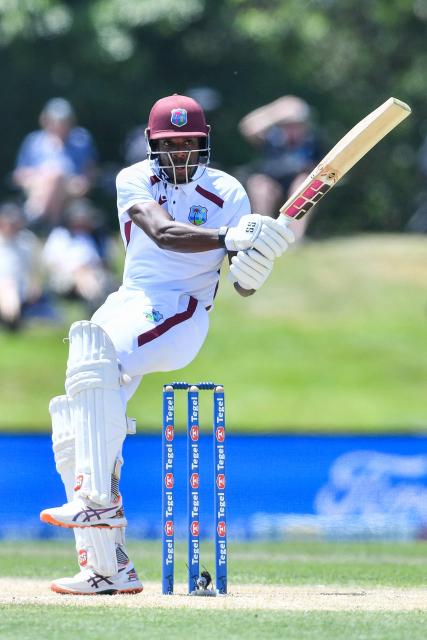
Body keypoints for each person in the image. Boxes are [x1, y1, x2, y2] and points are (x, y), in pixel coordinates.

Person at [39, 94, 294, 595]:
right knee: (74, 414)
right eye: (170, 144)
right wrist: (228, 239)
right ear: (153, 145)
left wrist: (259, 257)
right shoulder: (133, 178)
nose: (180, 153)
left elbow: (241, 284)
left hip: (182, 309)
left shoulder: (229, 190)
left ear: (204, 145)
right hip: (129, 299)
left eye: (190, 143)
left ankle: (96, 497)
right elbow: (162, 232)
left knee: (99, 362)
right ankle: (107, 569)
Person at [239, 95, 322, 241]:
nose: (292, 129)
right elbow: (247, 127)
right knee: (259, 184)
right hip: (272, 183)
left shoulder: (312, 141)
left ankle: (294, 239)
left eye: (296, 124)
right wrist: (276, 110)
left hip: (296, 184)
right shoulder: (273, 139)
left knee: (304, 184)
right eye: (287, 124)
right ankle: (263, 235)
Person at [13, 98, 97, 233]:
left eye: (64, 121)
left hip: (71, 189)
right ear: (45, 120)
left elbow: (90, 171)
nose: (59, 125)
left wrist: (83, 182)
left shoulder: (81, 140)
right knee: (54, 176)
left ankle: (36, 218)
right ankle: (53, 226)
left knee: (57, 176)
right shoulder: (34, 141)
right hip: (38, 187)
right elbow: (19, 174)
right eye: (55, 121)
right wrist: (41, 176)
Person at [42, 198, 117, 316]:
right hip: (65, 276)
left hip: (94, 273)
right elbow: (51, 262)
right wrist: (76, 269)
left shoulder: (94, 237)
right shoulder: (60, 235)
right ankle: (95, 300)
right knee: (81, 274)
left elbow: (104, 262)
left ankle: (95, 300)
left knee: (93, 276)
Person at [0, 202, 44, 330]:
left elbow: (35, 268)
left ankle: (11, 318)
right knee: (7, 286)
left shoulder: (27, 240)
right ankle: (11, 318)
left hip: (22, 287)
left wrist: (35, 286)